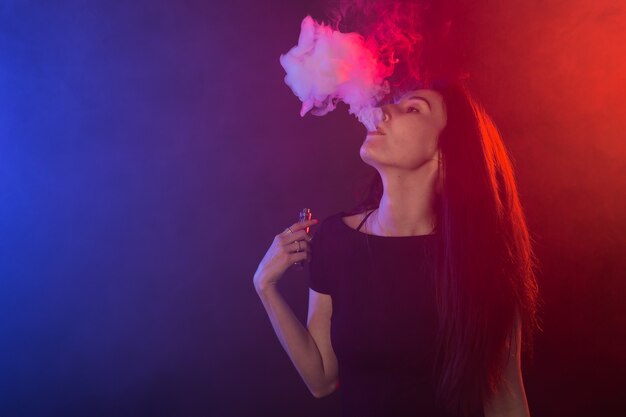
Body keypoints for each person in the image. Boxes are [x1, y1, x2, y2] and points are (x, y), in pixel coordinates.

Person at [253, 78, 541, 417]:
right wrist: (265, 286)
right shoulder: (336, 239)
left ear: (446, 151)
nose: (382, 111)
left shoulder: (484, 260)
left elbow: (505, 402)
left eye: (413, 108)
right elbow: (321, 379)